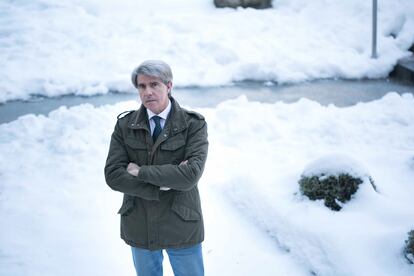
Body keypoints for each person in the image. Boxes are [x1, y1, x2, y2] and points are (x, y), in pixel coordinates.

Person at [104, 60, 208, 276]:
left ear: (168, 86)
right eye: (142, 86)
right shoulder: (125, 125)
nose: (147, 92)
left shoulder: (193, 124)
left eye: (154, 85)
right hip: (139, 223)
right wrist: (160, 186)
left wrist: (139, 172)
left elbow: (189, 175)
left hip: (182, 222)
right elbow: (113, 175)